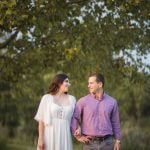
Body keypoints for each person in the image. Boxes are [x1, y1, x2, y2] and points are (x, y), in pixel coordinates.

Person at [71, 73, 121, 150]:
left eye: (91, 83)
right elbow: (74, 117)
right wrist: (78, 136)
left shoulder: (112, 102)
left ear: (100, 84)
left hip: (107, 143)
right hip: (89, 144)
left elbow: (115, 122)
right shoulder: (82, 101)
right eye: (88, 83)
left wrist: (118, 140)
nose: (88, 85)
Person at [34, 74, 76, 150]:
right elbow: (41, 120)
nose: (69, 84)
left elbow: (75, 119)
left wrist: (78, 129)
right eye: (66, 81)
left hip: (64, 136)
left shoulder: (72, 99)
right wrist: (40, 139)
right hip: (49, 134)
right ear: (59, 83)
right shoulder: (46, 98)